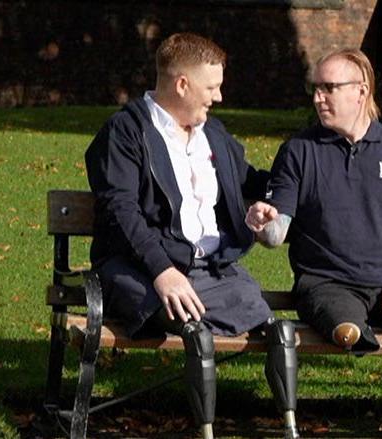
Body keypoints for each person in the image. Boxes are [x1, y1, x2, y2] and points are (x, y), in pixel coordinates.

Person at [84, 33, 298, 439]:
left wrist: (262, 204)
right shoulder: (126, 132)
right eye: (211, 87)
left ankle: (290, 430)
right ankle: (206, 432)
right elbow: (120, 211)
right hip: (140, 268)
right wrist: (162, 270)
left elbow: (252, 181)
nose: (217, 97)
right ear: (182, 84)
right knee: (195, 333)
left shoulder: (212, 135)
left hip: (212, 270)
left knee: (280, 330)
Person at [245, 49, 382, 354]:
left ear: (361, 91)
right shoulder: (298, 151)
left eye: (329, 88)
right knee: (347, 331)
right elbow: (277, 233)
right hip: (326, 284)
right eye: (315, 88)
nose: (318, 98)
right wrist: (263, 225)